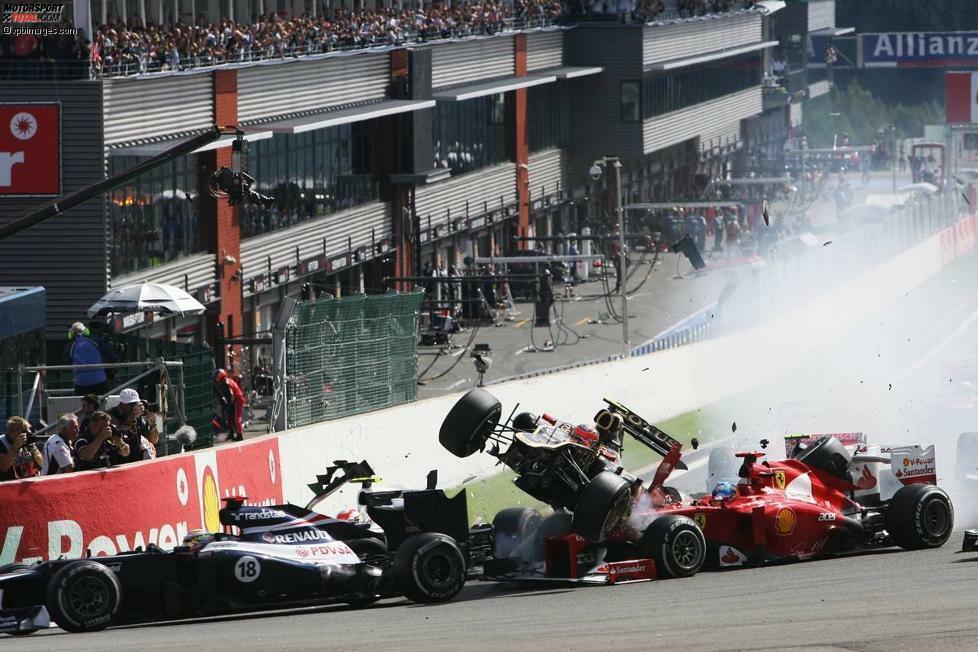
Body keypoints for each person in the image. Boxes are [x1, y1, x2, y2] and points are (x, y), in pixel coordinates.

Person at [108, 387, 160, 463]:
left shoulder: (137, 416)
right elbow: (120, 430)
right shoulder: (112, 415)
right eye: (131, 404)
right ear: (122, 404)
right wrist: (132, 416)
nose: (134, 406)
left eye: (136, 403)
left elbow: (153, 441)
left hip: (137, 460)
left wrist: (153, 425)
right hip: (120, 463)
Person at [66, 322, 108, 396]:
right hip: (100, 380)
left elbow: (66, 362)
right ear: (85, 331)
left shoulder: (70, 346)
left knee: (82, 406)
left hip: (81, 382)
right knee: (102, 405)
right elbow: (108, 355)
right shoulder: (95, 341)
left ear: (71, 333)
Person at [0, 416, 42, 481]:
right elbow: (3, 467)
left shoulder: (27, 442)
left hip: (30, 483)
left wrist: (35, 451)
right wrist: (15, 447)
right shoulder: (2, 442)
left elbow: (41, 464)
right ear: (13, 432)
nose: (26, 434)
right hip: (9, 486)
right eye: (24, 431)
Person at [215, 369, 245, 441]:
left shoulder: (227, 382)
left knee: (236, 417)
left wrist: (230, 404)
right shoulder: (226, 381)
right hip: (235, 399)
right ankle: (232, 433)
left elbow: (231, 394)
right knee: (230, 417)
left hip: (237, 399)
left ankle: (239, 435)